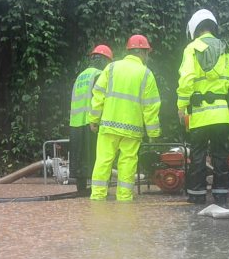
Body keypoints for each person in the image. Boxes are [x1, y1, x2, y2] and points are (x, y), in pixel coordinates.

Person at [177, 9, 229, 205]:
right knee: (221, 154)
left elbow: (187, 78)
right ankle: (221, 193)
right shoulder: (226, 48)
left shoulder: (191, 48)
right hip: (222, 114)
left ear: (195, 29)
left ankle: (197, 195)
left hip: (199, 114)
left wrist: (182, 105)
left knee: (197, 154)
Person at [88, 34, 161, 201]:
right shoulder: (146, 74)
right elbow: (151, 107)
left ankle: (97, 196)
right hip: (132, 129)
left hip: (108, 126)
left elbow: (98, 95)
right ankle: (124, 197)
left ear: (128, 50)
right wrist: (153, 134)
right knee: (127, 163)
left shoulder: (112, 68)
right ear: (143, 53)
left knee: (103, 160)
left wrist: (93, 119)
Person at [69, 44, 113, 196]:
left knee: (79, 157)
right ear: (105, 61)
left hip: (75, 123)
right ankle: (98, 190)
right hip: (91, 122)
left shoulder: (81, 76)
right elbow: (100, 99)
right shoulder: (99, 74)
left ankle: (81, 190)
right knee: (97, 158)